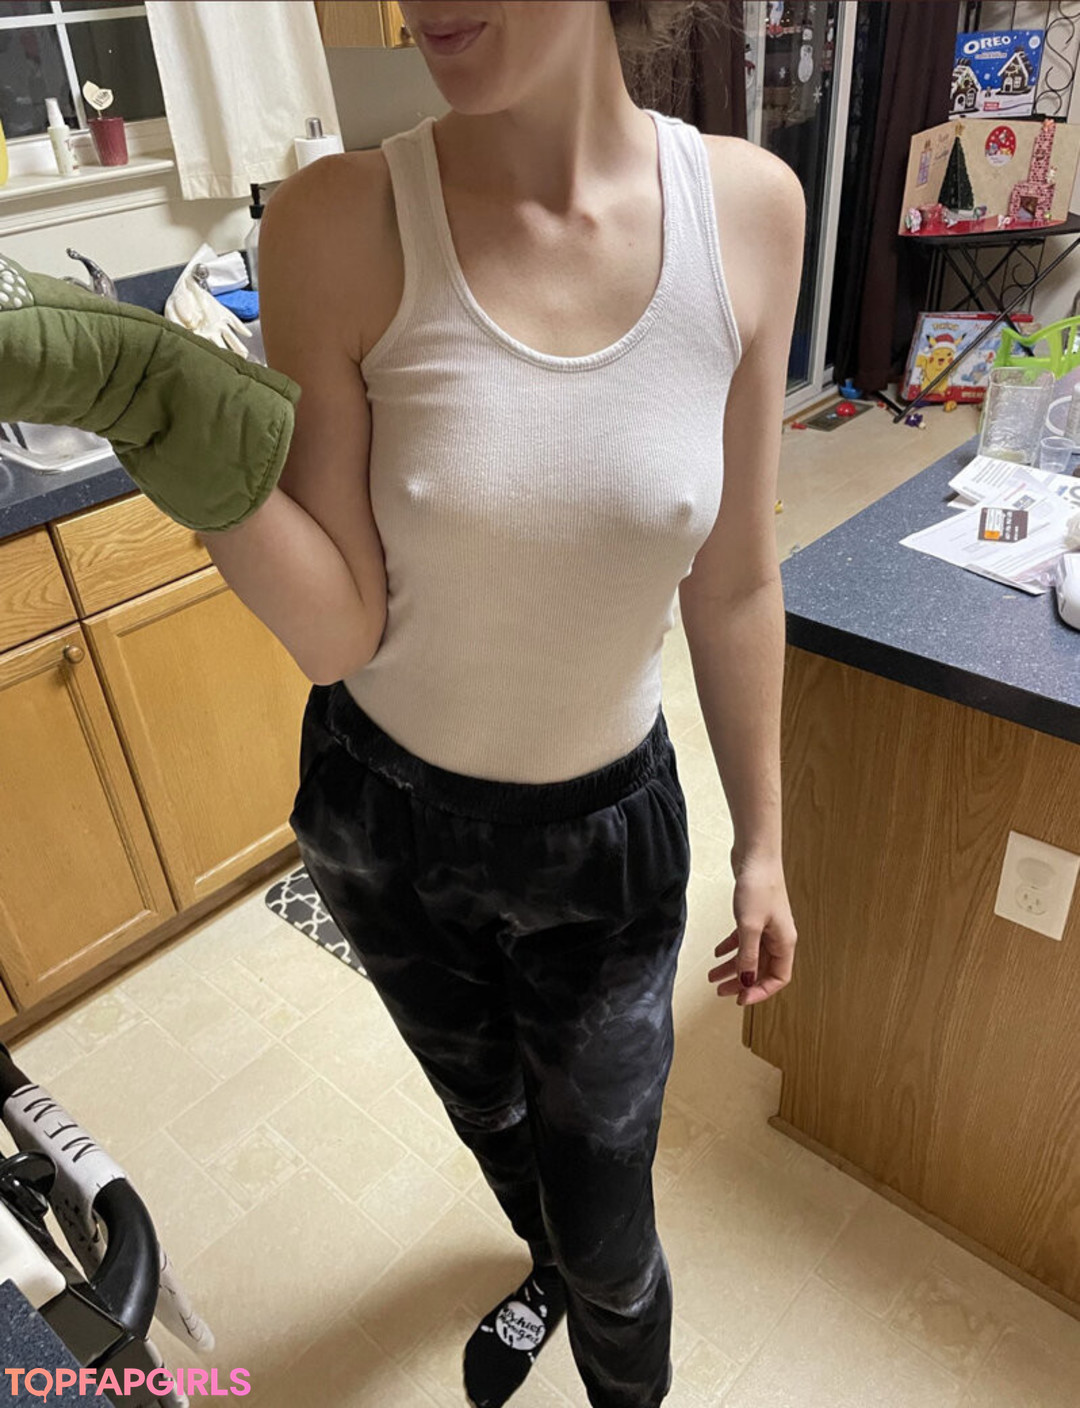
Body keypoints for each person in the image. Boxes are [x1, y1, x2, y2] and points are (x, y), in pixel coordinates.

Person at [202, 3, 803, 1404]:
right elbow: (340, 631)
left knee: (614, 1234)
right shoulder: (337, 221)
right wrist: (193, 453)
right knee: (493, 1120)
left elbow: (734, 583)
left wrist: (765, 843)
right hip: (380, 822)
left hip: (603, 849)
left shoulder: (748, 213)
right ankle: (539, 1257)